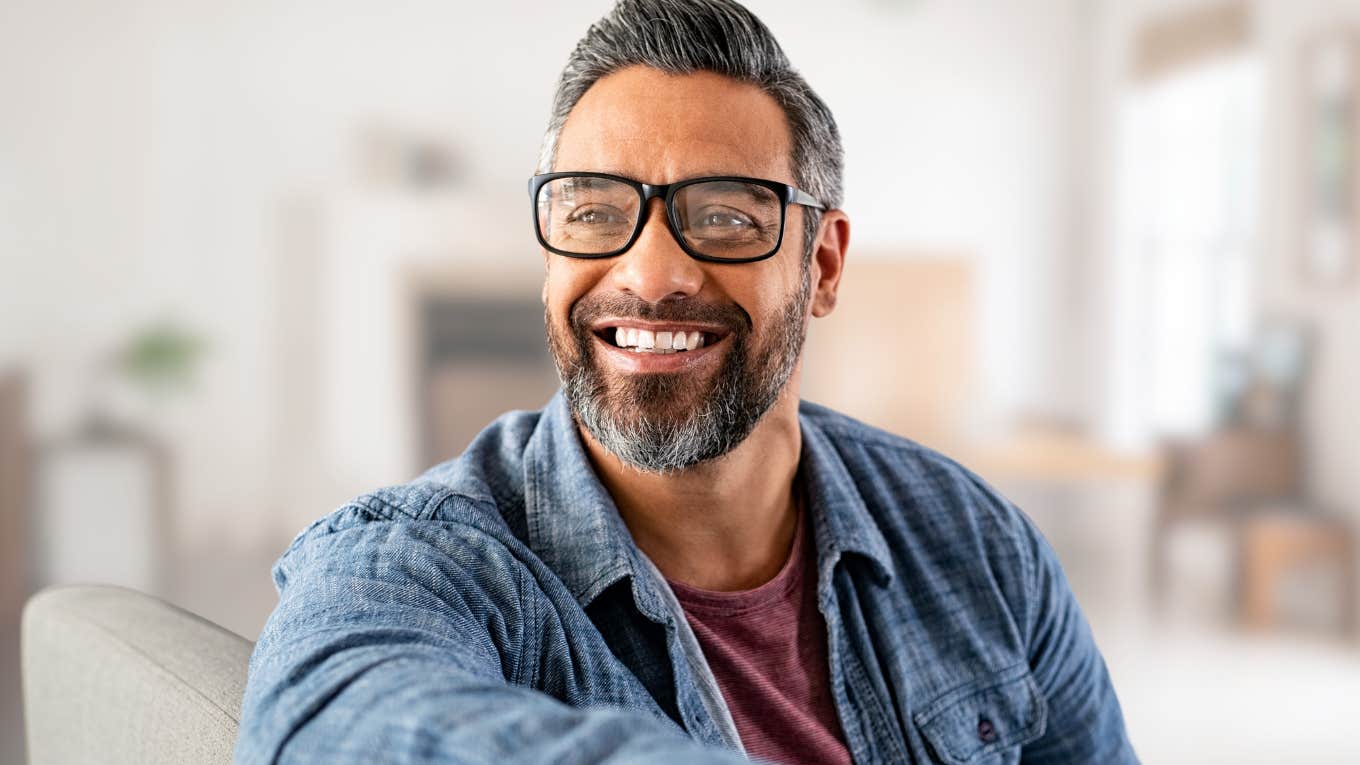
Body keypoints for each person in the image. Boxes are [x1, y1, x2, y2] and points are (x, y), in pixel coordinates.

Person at [236, 1, 1138, 763]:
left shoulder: (976, 545)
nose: (651, 271)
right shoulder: (421, 561)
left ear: (822, 266)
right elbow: (333, 720)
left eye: (724, 215)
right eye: (593, 210)